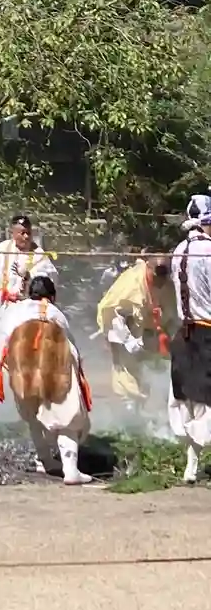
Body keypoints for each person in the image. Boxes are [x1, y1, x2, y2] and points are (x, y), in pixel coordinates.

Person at [0, 272, 92, 484]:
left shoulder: (14, 311)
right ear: (52, 296)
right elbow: (70, 344)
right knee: (66, 413)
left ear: (30, 294)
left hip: (22, 364)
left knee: (33, 412)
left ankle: (45, 460)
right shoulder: (55, 312)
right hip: (55, 362)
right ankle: (70, 470)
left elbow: (1, 338)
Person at [169, 196, 211, 483]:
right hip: (207, 333)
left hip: (184, 334)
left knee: (189, 403)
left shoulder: (178, 250)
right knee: (205, 401)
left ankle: (191, 468)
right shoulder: (209, 251)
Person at [96, 253, 170, 411]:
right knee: (127, 372)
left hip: (148, 329)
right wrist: (130, 343)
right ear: (148, 268)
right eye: (156, 276)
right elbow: (114, 316)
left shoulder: (166, 283)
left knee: (150, 370)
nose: (160, 281)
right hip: (124, 332)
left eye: (164, 277)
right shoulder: (132, 285)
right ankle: (128, 409)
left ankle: (145, 406)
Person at [0, 214, 57, 339]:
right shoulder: (2, 249)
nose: (26, 237)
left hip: (30, 311)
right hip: (6, 310)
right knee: (3, 340)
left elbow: (48, 282)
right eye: (22, 233)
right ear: (12, 233)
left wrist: (28, 277)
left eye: (28, 233)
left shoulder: (39, 255)